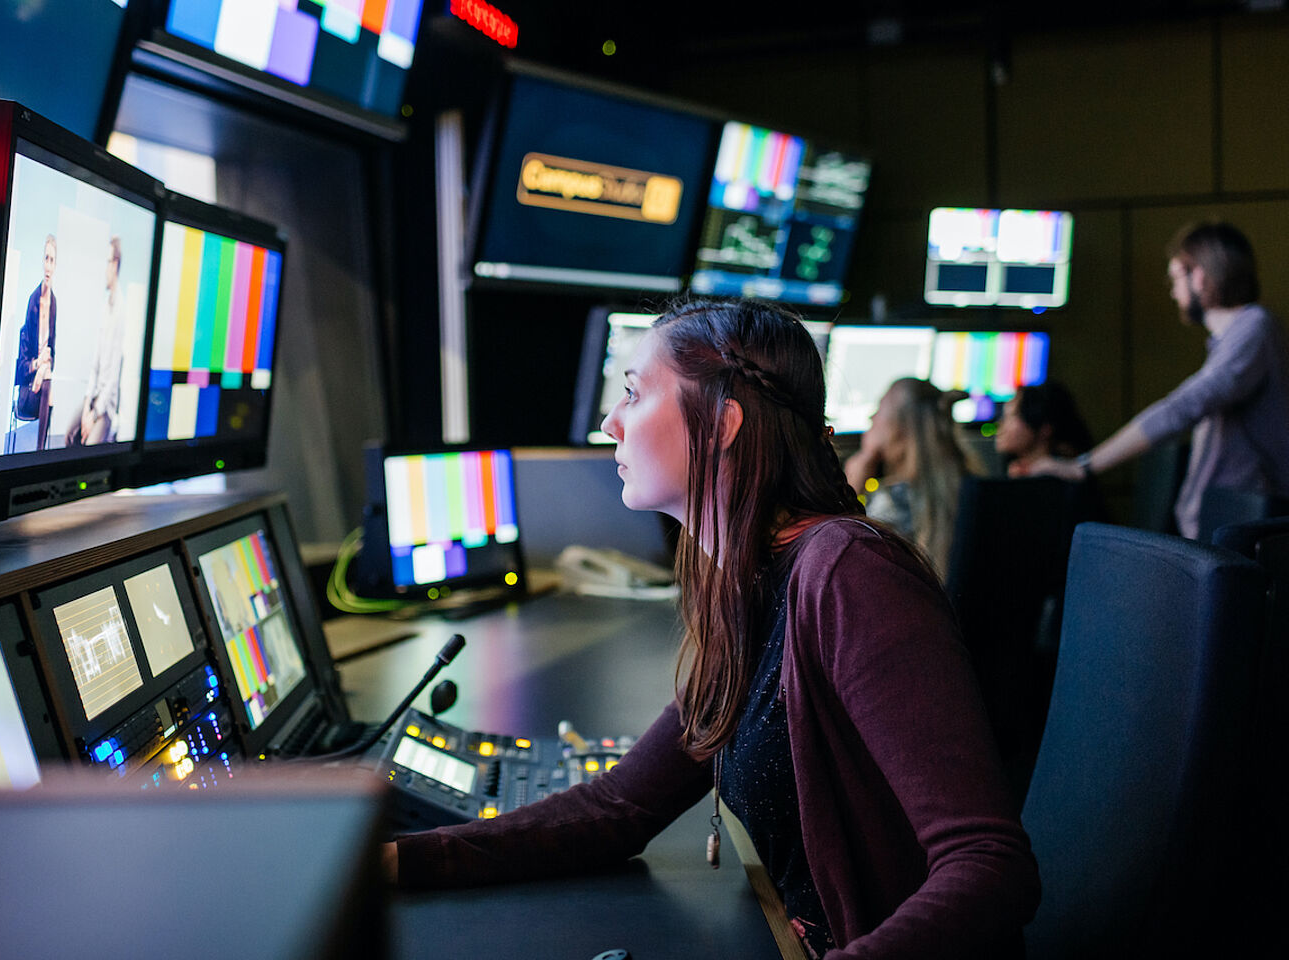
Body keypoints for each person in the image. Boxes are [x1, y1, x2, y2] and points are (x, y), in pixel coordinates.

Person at [385, 300, 1040, 959]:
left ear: (722, 422)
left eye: (634, 394)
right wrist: (387, 863)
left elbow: (990, 868)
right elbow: (620, 808)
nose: (611, 423)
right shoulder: (749, 584)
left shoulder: (848, 574)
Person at [1025, 221, 1289, 539]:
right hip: (1224, 527)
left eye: (1175, 276)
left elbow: (1184, 406)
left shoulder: (1255, 328)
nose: (1172, 289)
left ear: (1201, 277)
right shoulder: (1233, 339)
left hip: (1244, 531)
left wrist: (1083, 466)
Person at [842, 377, 981, 574]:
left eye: (879, 409)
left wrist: (851, 486)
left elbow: (839, 561)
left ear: (898, 430)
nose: (872, 418)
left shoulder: (890, 506)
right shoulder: (970, 487)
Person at [65, 237, 125, 447]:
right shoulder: (104, 308)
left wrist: (94, 414)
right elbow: (95, 364)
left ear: (115, 264)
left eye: (107, 262)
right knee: (69, 434)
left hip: (106, 408)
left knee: (88, 446)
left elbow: (111, 379)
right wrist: (85, 405)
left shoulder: (120, 312)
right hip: (93, 399)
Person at [12, 234, 57, 448]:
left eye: (52, 260)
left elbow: (53, 353)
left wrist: (44, 368)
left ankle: (41, 452)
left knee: (49, 378)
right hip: (28, 393)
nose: (48, 266)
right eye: (46, 259)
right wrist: (38, 366)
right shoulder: (33, 301)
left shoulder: (54, 303)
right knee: (47, 377)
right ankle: (40, 453)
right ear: (42, 261)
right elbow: (20, 369)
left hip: (44, 388)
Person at [996, 381, 1093, 477]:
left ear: (1045, 429)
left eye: (1010, 416)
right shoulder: (1015, 471)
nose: (1000, 424)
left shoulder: (1062, 478)